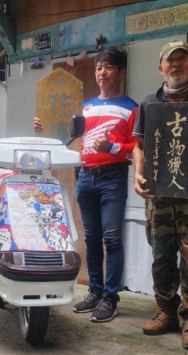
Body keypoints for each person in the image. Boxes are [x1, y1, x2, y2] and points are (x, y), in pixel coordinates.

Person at [33, 48, 137, 322]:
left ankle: (110, 298)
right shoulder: (86, 107)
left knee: (112, 239)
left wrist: (113, 146)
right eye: (98, 68)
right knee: (91, 239)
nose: (102, 73)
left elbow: (137, 147)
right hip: (87, 175)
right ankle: (94, 291)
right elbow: (65, 138)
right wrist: (43, 129)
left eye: (108, 68)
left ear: (120, 73)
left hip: (113, 177)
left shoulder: (131, 107)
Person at [133, 41, 188, 351]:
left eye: (182, 59)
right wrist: (138, 174)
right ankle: (166, 311)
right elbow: (138, 145)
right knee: (161, 252)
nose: (176, 65)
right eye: (170, 61)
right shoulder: (149, 104)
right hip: (159, 192)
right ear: (161, 68)